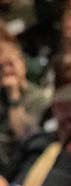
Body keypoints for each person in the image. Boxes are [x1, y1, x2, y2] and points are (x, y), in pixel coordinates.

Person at [0, 40, 49, 172]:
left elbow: (24, 135)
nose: (6, 70)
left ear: (23, 64)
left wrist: (14, 96)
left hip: (20, 164)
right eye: (1, 67)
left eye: (10, 64)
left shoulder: (38, 97)